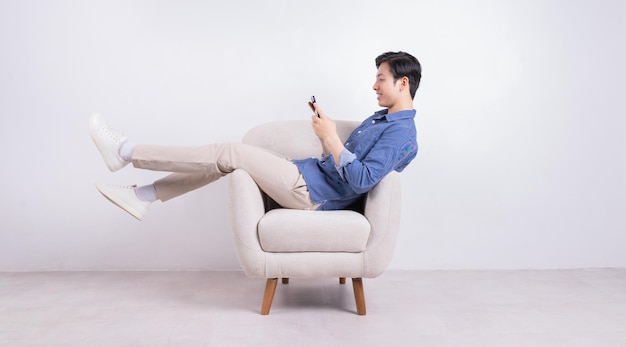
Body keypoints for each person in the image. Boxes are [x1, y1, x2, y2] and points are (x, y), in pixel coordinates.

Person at [90, 51, 421, 220]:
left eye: (381, 78)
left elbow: (362, 180)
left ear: (402, 83)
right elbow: (342, 164)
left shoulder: (402, 133)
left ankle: (125, 151)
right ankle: (142, 197)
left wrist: (332, 138)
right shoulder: (381, 120)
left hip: (310, 194)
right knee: (225, 161)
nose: (374, 86)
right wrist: (325, 135)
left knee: (230, 151)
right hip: (307, 175)